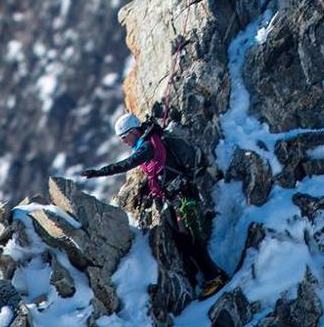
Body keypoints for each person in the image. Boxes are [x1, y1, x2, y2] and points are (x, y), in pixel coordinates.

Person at [80, 112, 228, 300]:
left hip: (182, 197)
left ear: (134, 132)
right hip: (175, 197)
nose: (123, 142)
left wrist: (99, 172)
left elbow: (127, 164)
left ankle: (215, 277)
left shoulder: (148, 146)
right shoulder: (151, 141)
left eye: (124, 137)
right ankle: (203, 275)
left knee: (190, 239)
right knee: (181, 239)